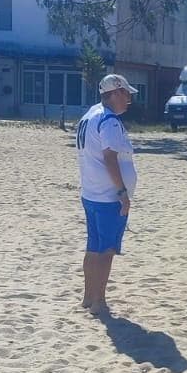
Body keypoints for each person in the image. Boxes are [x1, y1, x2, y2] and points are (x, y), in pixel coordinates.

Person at [75, 73, 138, 317]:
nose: (128, 100)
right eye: (126, 94)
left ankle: (89, 297)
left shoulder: (90, 114)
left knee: (93, 248)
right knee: (107, 250)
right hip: (107, 195)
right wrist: (122, 192)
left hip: (91, 192)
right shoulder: (109, 120)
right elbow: (110, 157)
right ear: (115, 93)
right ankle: (99, 301)